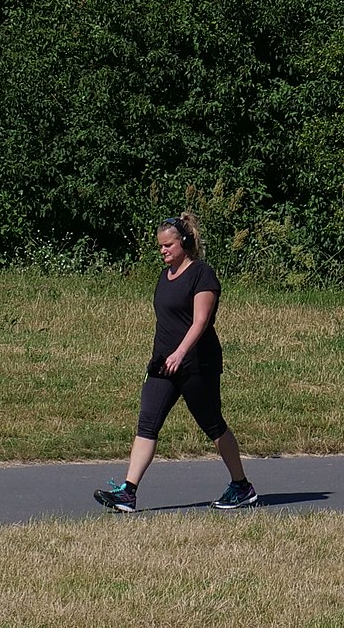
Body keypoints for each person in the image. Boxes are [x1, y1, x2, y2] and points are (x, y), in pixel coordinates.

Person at [94, 214, 257, 514]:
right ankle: (128, 493)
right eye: (160, 247)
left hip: (196, 363)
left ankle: (242, 486)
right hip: (163, 365)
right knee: (147, 423)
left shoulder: (202, 275)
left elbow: (200, 322)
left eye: (168, 245)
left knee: (213, 425)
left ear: (184, 242)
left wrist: (180, 353)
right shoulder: (164, 275)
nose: (163, 251)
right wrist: (164, 356)